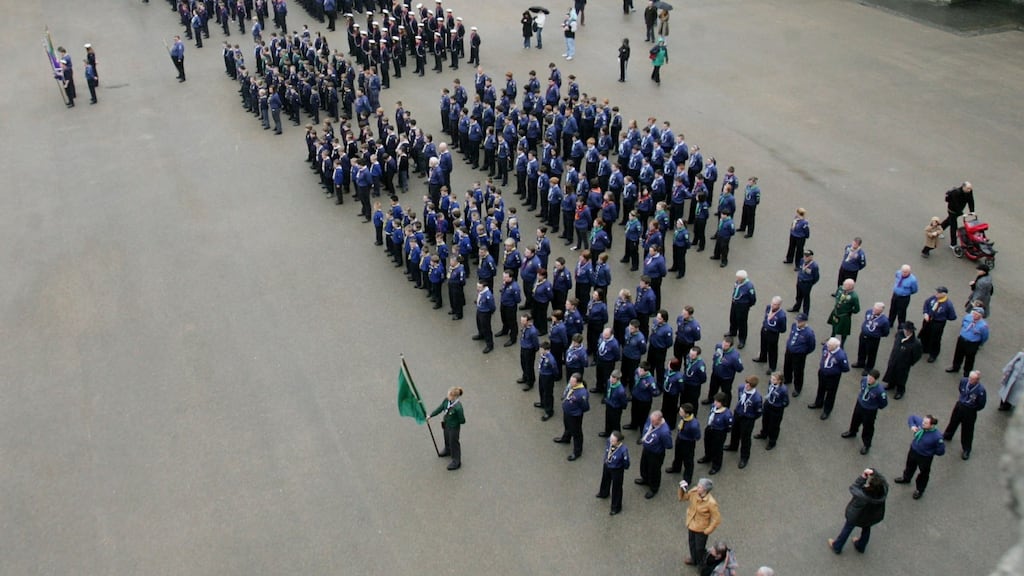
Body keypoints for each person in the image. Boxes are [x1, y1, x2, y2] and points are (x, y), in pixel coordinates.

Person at [828, 468, 888, 554]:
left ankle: (837, 546)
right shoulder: (884, 491)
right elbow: (883, 480)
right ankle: (861, 545)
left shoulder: (862, 495)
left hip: (856, 515)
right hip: (871, 515)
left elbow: (853, 487)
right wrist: (874, 472)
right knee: (866, 528)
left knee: (848, 528)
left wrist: (863, 477)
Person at [894, 414, 946, 499]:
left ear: (932, 425)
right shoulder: (921, 424)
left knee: (923, 474)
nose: (922, 424)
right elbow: (912, 417)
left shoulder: (937, 437)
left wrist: (930, 452)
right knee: (909, 466)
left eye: (925, 423)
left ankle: (920, 490)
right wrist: (912, 426)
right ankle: (906, 478)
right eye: (923, 422)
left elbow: (941, 451)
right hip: (913, 450)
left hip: (925, 457)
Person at [841, 369, 888, 455]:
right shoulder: (864, 380)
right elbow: (862, 389)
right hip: (860, 404)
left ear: (876, 379)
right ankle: (852, 431)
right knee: (855, 419)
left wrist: (874, 406)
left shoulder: (880, 391)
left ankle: (867, 444)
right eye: (869, 377)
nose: (869, 379)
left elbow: (883, 403)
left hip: (870, 410)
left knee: (868, 427)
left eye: (871, 378)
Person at [678, 478, 721, 569]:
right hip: (691, 524)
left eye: (700, 487)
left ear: (705, 490)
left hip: (701, 529)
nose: (697, 487)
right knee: (692, 544)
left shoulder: (711, 503)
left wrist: (708, 530)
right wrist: (681, 489)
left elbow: (716, 519)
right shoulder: (694, 492)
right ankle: (694, 559)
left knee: (699, 548)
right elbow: (683, 498)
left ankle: (701, 565)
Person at [943, 370, 987, 460]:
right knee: (953, 421)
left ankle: (966, 449)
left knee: (967, 430)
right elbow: (960, 389)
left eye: (972, 379)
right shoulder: (964, 381)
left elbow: (981, 404)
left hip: (970, 410)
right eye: (970, 378)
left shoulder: (981, 390)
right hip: (960, 405)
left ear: (977, 380)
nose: (970, 380)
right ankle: (948, 435)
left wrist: (972, 408)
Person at [724, 376, 762, 469]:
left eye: (749, 385)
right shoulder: (741, 388)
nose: (747, 386)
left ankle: (744, 457)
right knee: (735, 431)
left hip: (748, 418)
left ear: (753, 386)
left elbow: (758, 412)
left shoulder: (757, 398)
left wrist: (750, 418)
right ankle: (733, 446)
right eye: (746, 383)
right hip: (738, 413)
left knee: (745, 437)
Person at [808, 337, 850, 420]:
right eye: (828, 345)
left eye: (830, 345)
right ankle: (818, 403)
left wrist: (834, 371)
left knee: (831, 394)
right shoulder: (826, 348)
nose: (828, 346)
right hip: (822, 372)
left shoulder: (841, 355)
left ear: (836, 346)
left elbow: (845, 368)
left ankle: (827, 410)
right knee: (821, 388)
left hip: (833, 377)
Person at [635, 410, 673, 498]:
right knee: (644, 465)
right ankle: (645, 479)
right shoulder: (651, 420)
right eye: (651, 420)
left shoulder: (664, 432)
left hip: (656, 453)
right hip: (647, 448)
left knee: (654, 471)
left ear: (659, 420)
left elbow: (668, 445)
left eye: (653, 421)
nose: (651, 422)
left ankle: (653, 488)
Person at [554, 372, 591, 460]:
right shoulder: (572, 387)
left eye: (572, 381)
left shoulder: (582, 394)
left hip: (575, 416)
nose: (570, 383)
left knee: (577, 433)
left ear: (578, 382)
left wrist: (577, 411)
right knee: (567, 426)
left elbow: (585, 407)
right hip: (567, 412)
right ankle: (566, 438)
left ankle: (577, 451)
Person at [427, 387, 466, 470]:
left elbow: (462, 420)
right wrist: (431, 415)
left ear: (454, 397)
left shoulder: (458, 408)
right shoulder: (446, 401)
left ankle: (456, 461)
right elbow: (440, 408)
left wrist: (455, 422)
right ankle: (447, 450)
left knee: (454, 442)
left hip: (454, 427)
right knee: (447, 438)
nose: (447, 396)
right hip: (446, 424)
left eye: (449, 395)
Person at [883, 321, 923, 400]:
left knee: (901, 376)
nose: (905, 331)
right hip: (894, 358)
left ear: (910, 331)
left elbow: (917, 356)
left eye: (907, 330)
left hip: (904, 363)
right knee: (891, 371)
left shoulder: (916, 343)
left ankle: (900, 391)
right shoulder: (899, 334)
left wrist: (909, 362)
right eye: (905, 329)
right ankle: (891, 384)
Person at [946, 307, 989, 377]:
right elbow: (963, 324)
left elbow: (985, 337)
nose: (974, 316)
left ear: (981, 316)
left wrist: (979, 344)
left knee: (970, 359)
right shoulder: (967, 317)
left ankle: (967, 373)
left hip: (972, 343)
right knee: (958, 354)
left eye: (977, 314)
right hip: (962, 339)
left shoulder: (983, 326)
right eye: (974, 314)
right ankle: (955, 367)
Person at [918, 287, 957, 363]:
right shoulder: (933, 298)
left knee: (935, 338)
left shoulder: (948, 304)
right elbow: (926, 303)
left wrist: (942, 318)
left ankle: (933, 354)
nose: (936, 293)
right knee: (925, 334)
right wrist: (925, 313)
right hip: (928, 319)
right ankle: (925, 348)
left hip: (938, 323)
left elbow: (952, 316)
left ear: (943, 294)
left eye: (938, 293)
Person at [698, 392, 733, 475]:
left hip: (719, 432)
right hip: (710, 427)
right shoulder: (714, 407)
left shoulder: (727, 414)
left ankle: (716, 465)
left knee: (717, 449)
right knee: (707, 443)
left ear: (723, 403)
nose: (715, 403)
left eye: (717, 402)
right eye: (715, 401)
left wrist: (723, 432)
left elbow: (729, 426)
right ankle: (708, 456)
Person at [596, 431, 630, 515]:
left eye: (613, 440)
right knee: (605, 479)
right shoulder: (609, 441)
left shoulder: (623, 450)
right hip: (608, 465)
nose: (611, 441)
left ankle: (616, 507)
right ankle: (604, 493)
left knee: (617, 488)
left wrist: (622, 467)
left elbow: (626, 463)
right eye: (611, 439)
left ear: (618, 442)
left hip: (617, 469)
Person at [666, 403, 701, 483]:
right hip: (680, 438)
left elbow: (697, 436)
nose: (679, 412)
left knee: (688, 461)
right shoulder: (684, 418)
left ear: (687, 414)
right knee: (678, 455)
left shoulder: (693, 425)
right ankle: (676, 468)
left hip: (688, 443)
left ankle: (687, 479)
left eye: (681, 411)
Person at [752, 297, 787, 376]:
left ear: (779, 305)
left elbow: (783, 329)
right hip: (764, 329)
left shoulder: (781, 316)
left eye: (775, 305)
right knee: (763, 345)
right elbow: (766, 317)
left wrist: (774, 330)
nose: (772, 306)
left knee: (772, 350)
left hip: (773, 334)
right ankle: (762, 357)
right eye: (772, 303)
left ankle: (772, 366)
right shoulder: (768, 307)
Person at [851, 303, 890, 374]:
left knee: (871, 353)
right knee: (861, 349)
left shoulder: (884, 320)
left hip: (873, 339)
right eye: (874, 309)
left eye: (877, 310)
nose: (874, 311)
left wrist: (876, 334)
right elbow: (866, 320)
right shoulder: (869, 312)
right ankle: (860, 362)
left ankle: (869, 368)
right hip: (863, 335)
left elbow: (886, 332)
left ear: (881, 311)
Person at [783, 313, 815, 398]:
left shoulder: (809, 333)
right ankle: (788, 378)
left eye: (800, 321)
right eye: (797, 320)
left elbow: (811, 346)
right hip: (789, 350)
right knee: (787, 366)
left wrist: (803, 352)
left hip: (799, 355)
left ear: (804, 322)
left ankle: (797, 388)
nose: (798, 322)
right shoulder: (794, 325)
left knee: (798, 371)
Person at [755, 372, 789, 450]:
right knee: (765, 420)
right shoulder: (770, 383)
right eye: (771, 378)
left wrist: (779, 406)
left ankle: (772, 441)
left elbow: (786, 402)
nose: (771, 380)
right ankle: (764, 433)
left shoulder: (783, 390)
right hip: (768, 404)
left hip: (776, 409)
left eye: (774, 379)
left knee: (774, 426)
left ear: (779, 381)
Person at [940, 181, 975, 248]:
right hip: (952, 210)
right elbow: (955, 204)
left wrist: (972, 211)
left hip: (959, 210)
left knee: (948, 221)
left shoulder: (969, 191)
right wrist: (961, 213)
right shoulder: (956, 192)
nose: (969, 190)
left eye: (970, 188)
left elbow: (971, 200)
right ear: (963, 187)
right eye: (968, 188)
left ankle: (939, 229)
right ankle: (953, 244)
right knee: (954, 226)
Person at [728, 270, 757, 349]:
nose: (737, 279)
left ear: (743, 278)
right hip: (735, 303)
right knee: (733, 318)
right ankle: (733, 331)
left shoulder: (749, 286)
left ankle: (742, 340)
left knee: (742, 323)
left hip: (743, 306)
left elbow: (753, 298)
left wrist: (747, 306)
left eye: (738, 278)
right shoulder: (738, 282)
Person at [828, 279, 860, 347]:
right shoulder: (840, 288)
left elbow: (857, 309)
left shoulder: (854, 296)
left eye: (845, 284)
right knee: (834, 325)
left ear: (850, 286)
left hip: (844, 315)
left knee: (844, 331)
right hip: (836, 311)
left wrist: (849, 311)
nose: (843, 285)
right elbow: (837, 295)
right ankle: (831, 339)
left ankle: (842, 344)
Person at [789, 250, 819, 316]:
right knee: (798, 296)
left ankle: (805, 313)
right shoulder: (802, 260)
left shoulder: (814, 266)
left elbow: (816, 277)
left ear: (811, 257)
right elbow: (800, 269)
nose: (805, 257)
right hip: (799, 281)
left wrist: (810, 283)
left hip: (807, 283)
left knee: (806, 298)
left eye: (807, 256)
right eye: (805, 255)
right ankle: (796, 307)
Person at [888, 265, 919, 329]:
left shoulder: (913, 280)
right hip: (895, 295)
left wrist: (905, 293)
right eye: (903, 271)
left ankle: (901, 327)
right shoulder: (898, 273)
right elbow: (896, 277)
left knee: (901, 313)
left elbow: (914, 290)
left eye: (905, 272)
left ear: (909, 272)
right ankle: (890, 322)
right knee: (892, 309)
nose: (903, 273)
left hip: (904, 298)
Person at [601, 370, 629, 437]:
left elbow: (624, 402)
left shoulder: (621, 391)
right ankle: (607, 432)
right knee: (608, 420)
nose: (611, 379)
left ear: (618, 379)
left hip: (616, 408)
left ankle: (618, 436)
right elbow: (606, 390)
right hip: (609, 404)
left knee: (616, 423)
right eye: (611, 377)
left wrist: (621, 408)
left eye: (613, 378)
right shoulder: (609, 382)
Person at [473, 280, 495, 353]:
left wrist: (489, 312)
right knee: (479, 324)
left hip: (485, 312)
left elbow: (492, 306)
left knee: (486, 328)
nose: (478, 288)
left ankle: (490, 345)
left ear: (484, 287)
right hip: (480, 310)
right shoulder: (481, 292)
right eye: (477, 286)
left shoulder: (488, 295)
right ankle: (481, 334)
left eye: (479, 287)